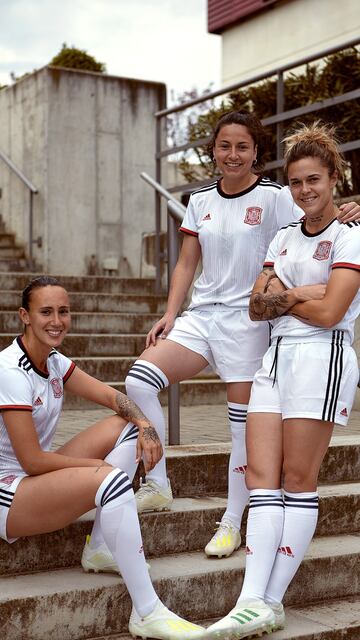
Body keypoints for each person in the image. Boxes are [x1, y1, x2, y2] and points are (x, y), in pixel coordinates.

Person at [124, 110, 360, 558]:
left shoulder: (276, 196)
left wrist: (354, 208)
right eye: (224, 146)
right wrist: (171, 313)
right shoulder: (198, 200)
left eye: (243, 147)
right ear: (213, 151)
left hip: (249, 322)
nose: (232, 155)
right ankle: (157, 484)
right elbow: (187, 263)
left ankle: (232, 521)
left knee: (242, 431)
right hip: (203, 315)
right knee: (139, 379)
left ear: (256, 153)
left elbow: (319, 212)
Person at [206, 121, 360, 639]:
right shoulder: (283, 235)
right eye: (295, 183)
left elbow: (335, 310)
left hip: (324, 358)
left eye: (314, 180)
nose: (304, 191)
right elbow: (255, 306)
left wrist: (290, 295)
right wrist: (304, 293)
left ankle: (272, 598)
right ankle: (251, 601)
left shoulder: (351, 233)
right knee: (260, 481)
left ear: (334, 178)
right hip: (273, 361)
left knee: (297, 481)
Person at [0, 276, 205, 640]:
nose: (56, 321)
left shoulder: (55, 362)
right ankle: (148, 612)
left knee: (125, 427)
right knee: (109, 479)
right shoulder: (11, 372)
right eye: (45, 312)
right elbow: (32, 461)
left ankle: (98, 547)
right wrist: (98, 468)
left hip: (33, 478)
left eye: (63, 312)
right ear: (24, 316)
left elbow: (113, 399)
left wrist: (144, 424)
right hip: (9, 492)